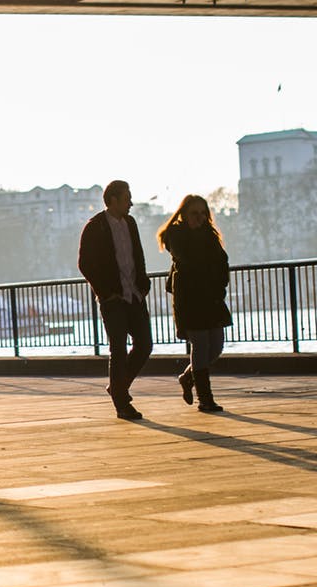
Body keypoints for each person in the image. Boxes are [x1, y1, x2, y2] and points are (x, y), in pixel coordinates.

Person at [79, 179, 152, 420]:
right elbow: (85, 264)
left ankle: (118, 387)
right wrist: (105, 292)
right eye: (126, 198)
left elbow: (137, 256)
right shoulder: (95, 227)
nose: (130, 203)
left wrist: (143, 285)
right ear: (113, 200)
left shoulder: (130, 223)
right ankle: (122, 403)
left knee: (144, 345)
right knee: (118, 349)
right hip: (113, 298)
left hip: (134, 294)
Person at [159, 194, 231, 415]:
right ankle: (205, 398)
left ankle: (188, 376)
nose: (199, 218)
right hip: (190, 299)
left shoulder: (209, 235)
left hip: (212, 298)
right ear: (184, 214)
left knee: (216, 345)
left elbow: (222, 261)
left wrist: (221, 285)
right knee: (200, 346)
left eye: (203, 214)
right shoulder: (176, 236)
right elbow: (190, 260)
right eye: (194, 213)